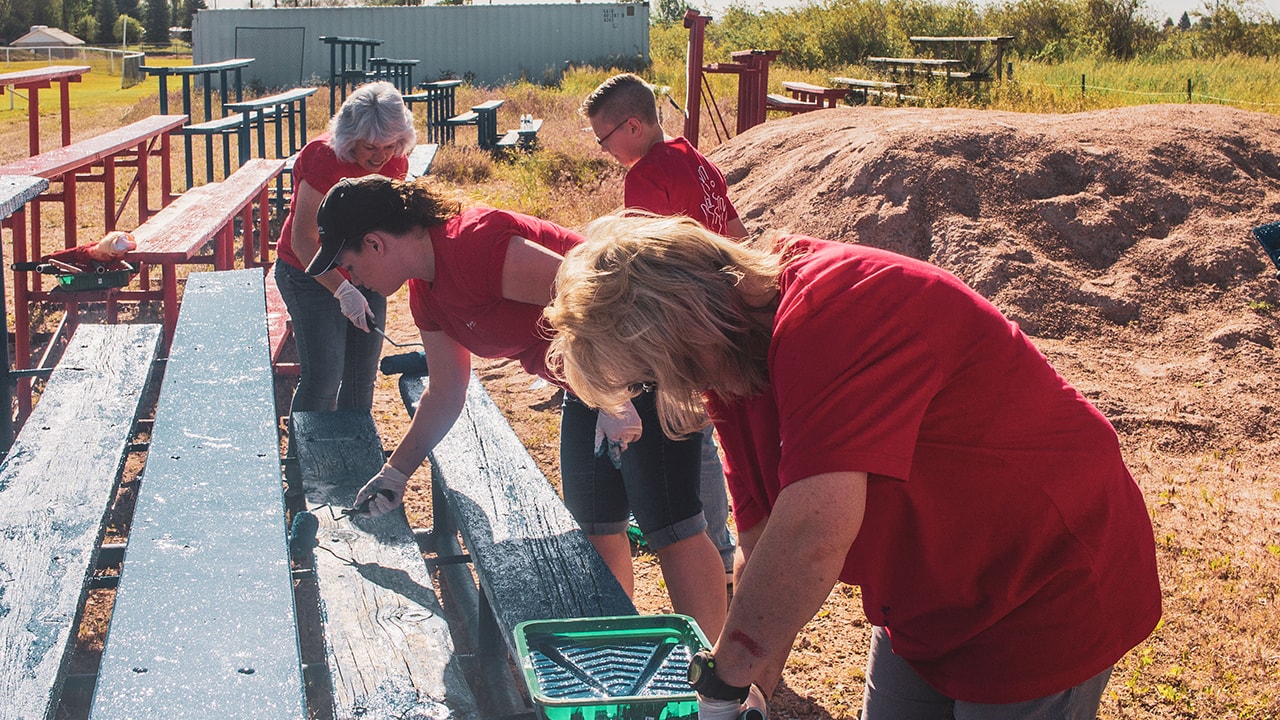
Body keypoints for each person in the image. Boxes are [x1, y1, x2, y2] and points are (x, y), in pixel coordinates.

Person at [544, 213, 1163, 720]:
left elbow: (815, 534)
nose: (670, 387)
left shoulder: (837, 309)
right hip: (928, 596)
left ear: (686, 321)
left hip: (1040, 582)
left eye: (658, 369)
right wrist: (750, 685)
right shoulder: (735, 359)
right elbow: (762, 536)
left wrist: (724, 683)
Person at [304, 175, 726, 641]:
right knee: (597, 524)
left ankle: (718, 683)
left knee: (671, 527)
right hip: (590, 381)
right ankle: (619, 652)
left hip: (642, 358)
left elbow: (596, 295)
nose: (351, 279)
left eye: (348, 265)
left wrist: (617, 393)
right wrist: (395, 473)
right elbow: (446, 390)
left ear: (374, 243)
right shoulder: (426, 293)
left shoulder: (472, 243)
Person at [581, 72, 746, 583]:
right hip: (721, 307)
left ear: (632, 125)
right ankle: (720, 547)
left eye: (604, 138)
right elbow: (737, 233)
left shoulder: (647, 173)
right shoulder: (695, 159)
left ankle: (711, 551)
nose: (604, 149)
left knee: (684, 429)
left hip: (681, 318)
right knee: (712, 431)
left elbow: (640, 265)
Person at [273, 80, 415, 415]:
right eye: (369, 148)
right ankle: (305, 464)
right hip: (307, 272)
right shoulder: (324, 158)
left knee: (359, 379)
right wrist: (342, 290)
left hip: (363, 272)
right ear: (351, 140)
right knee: (324, 378)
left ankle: (355, 460)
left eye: (389, 146)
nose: (380, 156)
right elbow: (303, 240)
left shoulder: (395, 162)